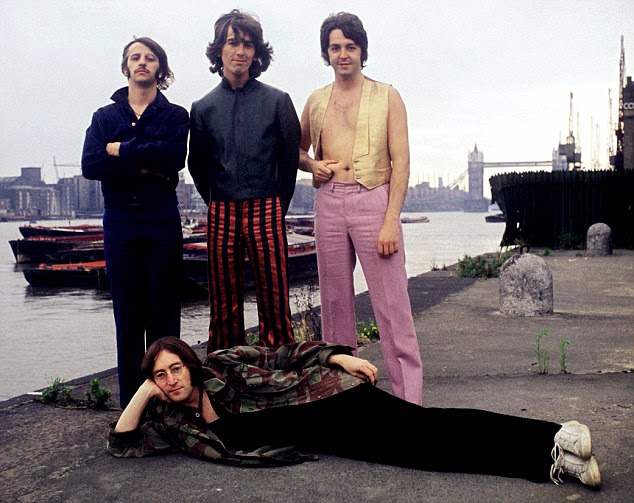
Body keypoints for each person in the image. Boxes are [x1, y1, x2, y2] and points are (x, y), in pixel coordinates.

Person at [108, 336, 601, 488]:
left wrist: (337, 358)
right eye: (161, 376)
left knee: (432, 426)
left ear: (191, 365)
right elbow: (122, 444)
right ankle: (555, 465)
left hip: (331, 399)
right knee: (430, 456)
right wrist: (143, 394)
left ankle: (557, 433)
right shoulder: (175, 424)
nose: (172, 380)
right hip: (326, 439)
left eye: (176, 368)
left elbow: (282, 354)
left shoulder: (221, 365)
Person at [298, 13, 423, 404]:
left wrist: (391, 222)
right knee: (335, 308)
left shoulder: (387, 96)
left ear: (362, 51)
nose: (343, 54)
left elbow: (401, 163)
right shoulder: (316, 100)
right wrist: (312, 165)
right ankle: (346, 403)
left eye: (350, 47)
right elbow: (297, 151)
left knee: (393, 308)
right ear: (326, 53)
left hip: (374, 200)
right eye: (335, 47)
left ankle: (409, 404)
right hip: (329, 202)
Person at [82, 37, 189, 408]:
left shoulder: (175, 116)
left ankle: (169, 404)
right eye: (135, 57)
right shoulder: (104, 117)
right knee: (128, 318)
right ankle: (133, 405)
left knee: (164, 316)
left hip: (162, 221)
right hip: (121, 223)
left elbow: (173, 158)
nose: (142, 62)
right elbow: (91, 164)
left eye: (150, 57)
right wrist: (145, 164)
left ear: (160, 67)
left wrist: (122, 150)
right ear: (125, 67)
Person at [188, 10, 301, 354]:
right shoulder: (203, 108)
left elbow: (288, 161)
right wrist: (215, 200)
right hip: (221, 207)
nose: (240, 51)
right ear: (219, 50)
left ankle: (280, 366)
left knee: (274, 296)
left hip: (267, 204)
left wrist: (278, 203)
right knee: (223, 300)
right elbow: (197, 164)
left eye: (248, 44)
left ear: (257, 53)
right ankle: (226, 367)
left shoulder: (278, 101)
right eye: (233, 42)